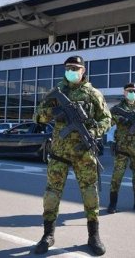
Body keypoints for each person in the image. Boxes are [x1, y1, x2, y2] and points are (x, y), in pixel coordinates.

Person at [33, 56, 111, 256]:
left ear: (83, 71)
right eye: (68, 68)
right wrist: (54, 112)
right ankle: (47, 235)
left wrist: (94, 133)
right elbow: (38, 115)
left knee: (91, 195)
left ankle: (93, 236)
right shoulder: (57, 92)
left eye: (76, 68)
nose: (72, 71)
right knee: (51, 195)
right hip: (59, 152)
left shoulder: (93, 94)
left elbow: (106, 119)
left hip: (84, 154)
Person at [107, 82, 135, 214]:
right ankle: (112, 204)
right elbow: (108, 121)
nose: (132, 93)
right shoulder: (117, 108)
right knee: (117, 177)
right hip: (122, 148)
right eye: (129, 91)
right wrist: (121, 119)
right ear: (124, 92)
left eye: (134, 91)